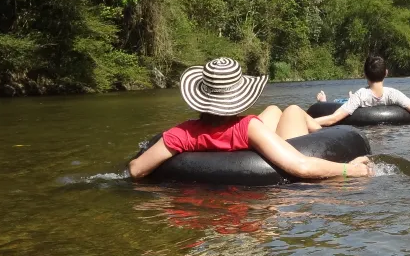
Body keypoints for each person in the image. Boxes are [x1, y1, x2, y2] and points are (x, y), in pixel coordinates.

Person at [128, 58, 372, 180]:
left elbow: (136, 169)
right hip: (261, 152)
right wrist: (350, 169)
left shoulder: (183, 133)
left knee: (275, 110)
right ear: (238, 97)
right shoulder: (247, 128)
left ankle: (318, 127)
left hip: (224, 148)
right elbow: (302, 166)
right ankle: (321, 130)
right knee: (293, 111)